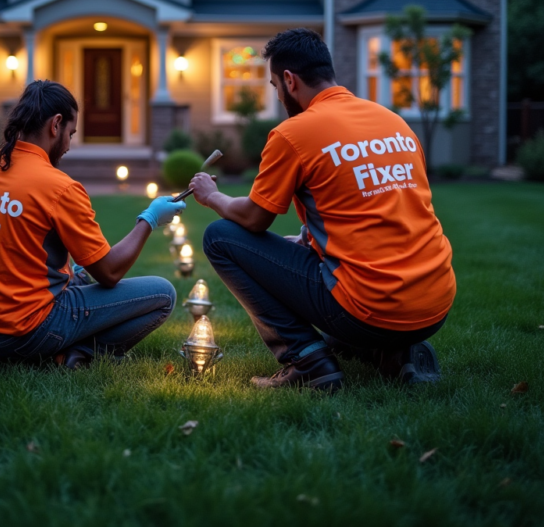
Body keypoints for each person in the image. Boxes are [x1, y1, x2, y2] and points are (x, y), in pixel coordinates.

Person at [189, 28, 455, 392]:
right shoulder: (393, 122)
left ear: (289, 80)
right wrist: (305, 241)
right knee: (333, 294)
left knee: (220, 237)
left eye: (273, 86)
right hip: (435, 305)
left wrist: (212, 196)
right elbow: (372, 207)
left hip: (369, 306)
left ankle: (308, 361)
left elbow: (254, 218)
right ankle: (396, 352)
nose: (278, 95)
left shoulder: (294, 133)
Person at [0, 80, 184, 369]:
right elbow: (109, 272)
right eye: (71, 133)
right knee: (162, 294)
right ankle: (77, 354)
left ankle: (61, 349)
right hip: (27, 331)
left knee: (78, 274)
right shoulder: (58, 186)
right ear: (56, 125)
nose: (68, 145)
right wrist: (149, 219)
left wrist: (72, 272)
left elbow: (12, 246)